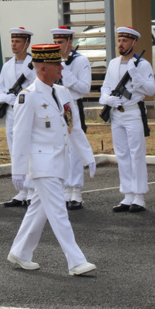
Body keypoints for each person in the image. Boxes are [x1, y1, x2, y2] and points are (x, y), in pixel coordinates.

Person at [7, 43, 97, 276]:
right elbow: (21, 135)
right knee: (58, 212)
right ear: (43, 68)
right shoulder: (27, 97)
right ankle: (76, 261)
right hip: (42, 165)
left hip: (59, 164)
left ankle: (20, 251)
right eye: (57, 64)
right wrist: (17, 169)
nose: (62, 67)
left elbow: (73, 128)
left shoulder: (63, 92)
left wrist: (88, 156)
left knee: (39, 209)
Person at [98, 27, 155, 213]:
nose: (121, 44)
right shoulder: (113, 63)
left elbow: (150, 90)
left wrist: (136, 76)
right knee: (121, 154)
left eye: (125, 41)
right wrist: (106, 99)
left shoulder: (142, 65)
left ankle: (139, 196)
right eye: (119, 40)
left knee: (136, 153)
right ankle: (127, 194)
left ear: (134, 43)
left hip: (132, 113)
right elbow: (105, 86)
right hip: (116, 113)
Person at [51, 26, 97, 210]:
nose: (57, 45)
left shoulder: (80, 61)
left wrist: (65, 72)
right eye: (55, 41)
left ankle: (75, 191)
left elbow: (84, 88)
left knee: (74, 149)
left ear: (70, 42)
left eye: (60, 42)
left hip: (71, 107)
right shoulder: (52, 60)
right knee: (59, 149)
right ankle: (63, 189)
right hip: (55, 107)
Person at [0, 27, 37, 207]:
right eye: (12, 41)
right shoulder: (7, 66)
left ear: (27, 44)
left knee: (28, 149)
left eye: (18, 41)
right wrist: (5, 97)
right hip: (12, 112)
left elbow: (41, 86)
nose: (14, 44)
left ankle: (32, 189)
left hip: (28, 112)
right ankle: (21, 190)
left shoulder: (33, 64)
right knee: (14, 149)